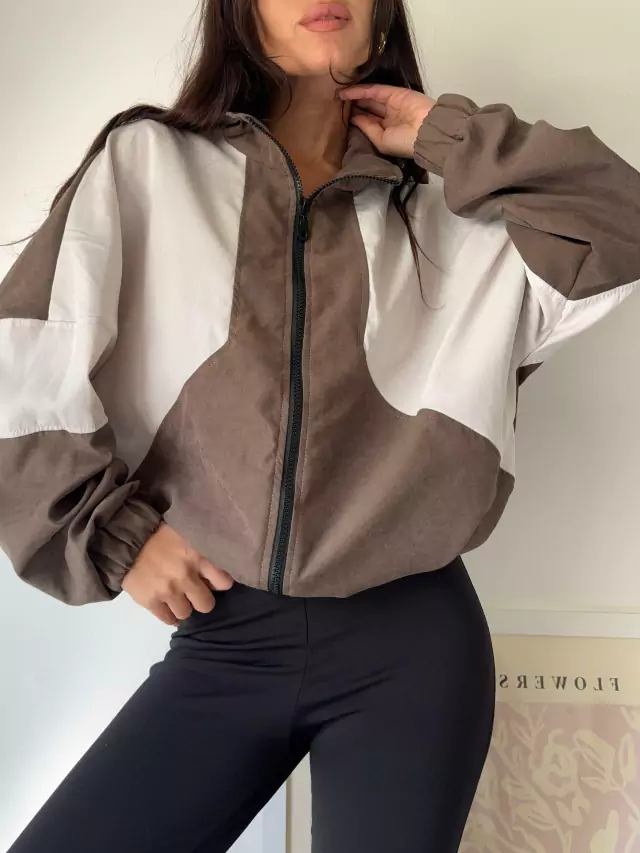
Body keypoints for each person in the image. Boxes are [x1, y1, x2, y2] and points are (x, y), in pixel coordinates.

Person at [1, 0, 639, 850]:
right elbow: (20, 361)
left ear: (382, 20)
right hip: (227, 632)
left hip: (413, 646)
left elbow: (622, 222)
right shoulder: (148, 165)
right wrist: (114, 531)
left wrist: (445, 135)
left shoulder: (458, 219)